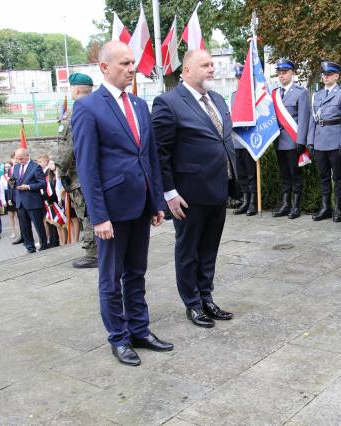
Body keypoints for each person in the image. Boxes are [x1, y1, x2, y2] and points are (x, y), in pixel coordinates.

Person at [72, 41, 172, 367]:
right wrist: (99, 216)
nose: (132, 69)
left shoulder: (141, 105)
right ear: (104, 67)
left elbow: (150, 159)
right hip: (111, 213)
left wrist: (156, 201)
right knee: (110, 278)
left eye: (133, 63)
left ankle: (140, 330)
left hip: (140, 205)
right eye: (125, 64)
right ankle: (119, 338)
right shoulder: (88, 108)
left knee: (136, 273)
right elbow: (87, 168)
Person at [152, 49, 237, 329]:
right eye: (205, 65)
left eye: (212, 64)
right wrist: (169, 192)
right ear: (186, 70)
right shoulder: (168, 102)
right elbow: (160, 152)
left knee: (209, 248)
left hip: (217, 188)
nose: (211, 69)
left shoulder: (217, 99)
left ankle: (206, 296)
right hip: (188, 194)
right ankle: (192, 303)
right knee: (189, 250)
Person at [53, 72, 97, 268]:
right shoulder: (100, 109)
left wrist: (61, 172)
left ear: (76, 89)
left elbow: (66, 149)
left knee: (86, 212)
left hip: (80, 174)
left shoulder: (73, 114)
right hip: (101, 171)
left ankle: (93, 253)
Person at [307, 60, 341, 222]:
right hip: (319, 141)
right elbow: (313, 120)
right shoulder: (317, 95)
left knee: (338, 177)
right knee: (323, 176)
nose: (325, 77)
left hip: (335, 141)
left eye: (329, 74)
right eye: (324, 74)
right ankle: (325, 207)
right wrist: (310, 141)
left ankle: (338, 208)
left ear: (337, 76)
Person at [271, 58, 310, 219]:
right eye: (279, 73)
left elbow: (304, 119)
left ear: (292, 73)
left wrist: (301, 141)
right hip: (279, 141)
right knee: (284, 174)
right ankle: (285, 204)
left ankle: (295, 205)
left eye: (284, 72)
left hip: (293, 141)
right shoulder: (275, 94)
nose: (282, 76)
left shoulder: (301, 93)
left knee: (295, 175)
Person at [231, 63, 258, 216]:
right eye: (238, 78)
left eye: (242, 77)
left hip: (249, 141)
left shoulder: (254, 96)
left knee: (251, 173)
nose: (239, 80)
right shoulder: (234, 95)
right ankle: (245, 200)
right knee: (241, 173)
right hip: (237, 141)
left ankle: (253, 201)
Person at [12, 148, 48, 253]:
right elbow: (13, 179)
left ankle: (43, 246)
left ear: (27, 156)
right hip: (20, 202)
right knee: (24, 226)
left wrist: (28, 187)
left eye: (21, 158)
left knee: (38, 225)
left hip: (33, 201)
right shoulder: (16, 166)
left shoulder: (35, 167)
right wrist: (12, 183)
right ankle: (30, 247)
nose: (19, 161)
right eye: (17, 159)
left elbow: (42, 183)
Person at [0, 161, 19, 240]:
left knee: (18, 215)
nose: (7, 168)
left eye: (9, 166)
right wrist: (3, 201)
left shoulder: (15, 175)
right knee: (11, 215)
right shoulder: (2, 177)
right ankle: (13, 232)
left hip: (15, 195)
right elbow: (2, 190)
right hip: (8, 195)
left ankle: (20, 231)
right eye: (6, 167)